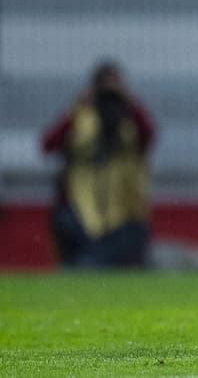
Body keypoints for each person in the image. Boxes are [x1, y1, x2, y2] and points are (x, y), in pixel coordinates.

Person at [41, 61, 155, 267]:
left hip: (124, 211)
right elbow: (48, 145)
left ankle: (87, 266)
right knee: (69, 228)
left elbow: (150, 136)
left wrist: (129, 102)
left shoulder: (129, 120)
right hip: (79, 208)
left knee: (126, 240)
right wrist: (76, 108)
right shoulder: (80, 117)